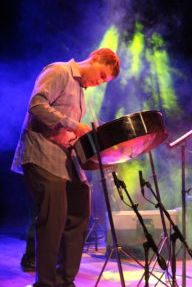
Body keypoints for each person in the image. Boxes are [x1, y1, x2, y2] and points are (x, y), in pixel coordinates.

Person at [11, 48, 120, 287]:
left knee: (80, 213)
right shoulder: (59, 70)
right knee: (53, 222)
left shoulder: (81, 91)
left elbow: (75, 133)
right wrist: (73, 124)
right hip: (43, 157)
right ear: (95, 59)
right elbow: (37, 106)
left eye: (104, 81)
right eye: (101, 75)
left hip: (67, 162)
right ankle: (47, 284)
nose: (99, 83)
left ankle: (64, 281)